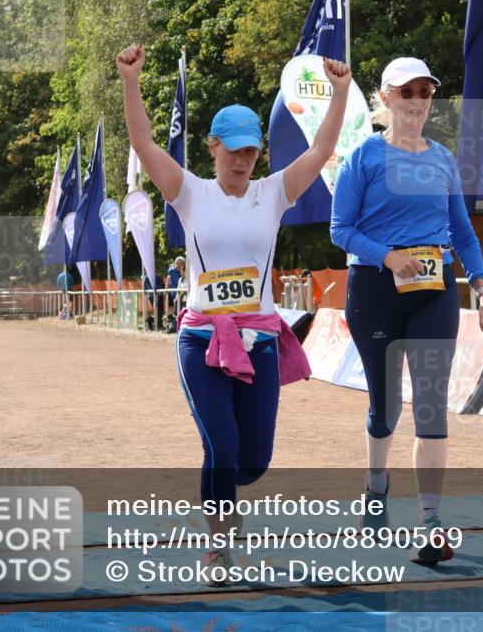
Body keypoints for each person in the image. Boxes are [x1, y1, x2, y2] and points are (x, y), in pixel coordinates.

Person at [117, 43, 351, 585]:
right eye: (233, 151)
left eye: (251, 151)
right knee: (222, 446)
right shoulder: (189, 192)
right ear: (213, 147)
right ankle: (218, 547)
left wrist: (339, 93)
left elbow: (321, 148)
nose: (242, 160)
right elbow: (144, 142)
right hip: (201, 341)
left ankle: (223, 484)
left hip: (260, 343)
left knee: (252, 463)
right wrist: (132, 80)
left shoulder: (274, 193)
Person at [329, 57, 483, 566]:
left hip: (435, 290)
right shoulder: (362, 158)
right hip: (376, 288)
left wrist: (482, 288)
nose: (418, 101)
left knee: (429, 403)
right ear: (385, 100)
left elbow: (463, 232)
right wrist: (387, 255)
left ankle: (430, 520)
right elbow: (340, 230)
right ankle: (376, 489)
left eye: (425, 91)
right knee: (386, 409)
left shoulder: (443, 159)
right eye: (406, 93)